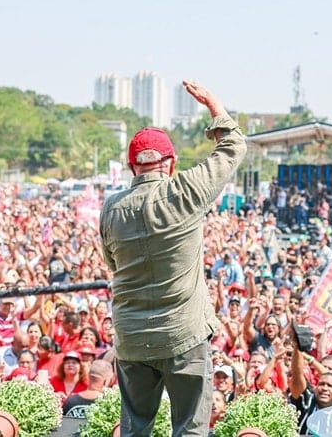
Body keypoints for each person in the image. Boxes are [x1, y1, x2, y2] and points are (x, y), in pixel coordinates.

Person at [100, 80, 247, 437]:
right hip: (184, 333)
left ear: (132, 166)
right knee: (190, 429)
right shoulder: (185, 191)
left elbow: (112, 263)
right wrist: (214, 106)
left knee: (136, 429)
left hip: (132, 337)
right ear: (171, 163)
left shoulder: (111, 208)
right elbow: (233, 147)